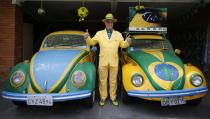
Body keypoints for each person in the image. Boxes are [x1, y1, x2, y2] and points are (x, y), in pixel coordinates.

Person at [84, 13, 131, 106]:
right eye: (108, 21)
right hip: (103, 61)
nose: (109, 23)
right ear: (105, 23)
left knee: (113, 80)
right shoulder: (99, 33)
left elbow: (122, 45)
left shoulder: (118, 34)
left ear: (113, 23)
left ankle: (113, 97)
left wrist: (127, 42)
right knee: (102, 80)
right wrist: (87, 38)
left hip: (114, 61)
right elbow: (92, 42)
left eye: (111, 22)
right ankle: (103, 97)